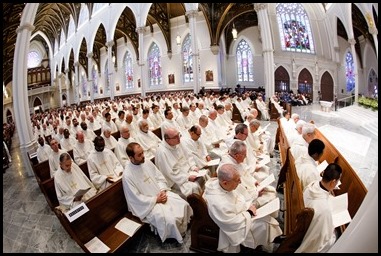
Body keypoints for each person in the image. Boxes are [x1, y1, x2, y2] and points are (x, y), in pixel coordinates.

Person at [122, 142, 193, 245]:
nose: (143, 156)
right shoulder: (127, 175)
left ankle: (185, 227)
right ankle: (175, 238)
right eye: (139, 155)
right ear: (131, 158)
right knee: (170, 220)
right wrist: (156, 199)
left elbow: (159, 177)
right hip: (148, 204)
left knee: (183, 204)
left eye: (143, 153)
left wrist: (163, 190)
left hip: (160, 193)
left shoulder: (146, 162)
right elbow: (135, 198)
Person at [203, 163, 283, 253]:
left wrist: (248, 206)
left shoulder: (222, 185)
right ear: (225, 183)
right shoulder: (218, 202)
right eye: (237, 180)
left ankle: (273, 238)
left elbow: (238, 199)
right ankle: (267, 243)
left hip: (242, 214)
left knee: (265, 218)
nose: (240, 182)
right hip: (234, 227)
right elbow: (232, 223)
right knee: (264, 224)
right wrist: (249, 213)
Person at [295, 163, 343, 253]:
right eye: (338, 181)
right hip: (304, 235)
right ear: (333, 182)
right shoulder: (325, 211)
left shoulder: (312, 186)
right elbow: (319, 244)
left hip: (300, 223)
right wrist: (332, 232)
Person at [155, 128, 204, 199]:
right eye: (175, 137)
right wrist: (187, 177)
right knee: (194, 187)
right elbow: (170, 173)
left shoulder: (177, 143)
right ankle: (198, 206)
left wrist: (193, 166)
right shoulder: (162, 152)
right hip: (176, 180)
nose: (179, 138)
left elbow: (188, 155)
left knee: (203, 175)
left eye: (179, 135)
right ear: (167, 140)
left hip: (188, 172)